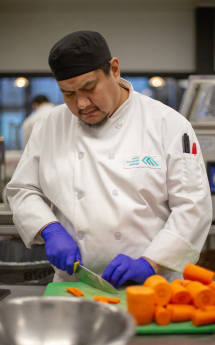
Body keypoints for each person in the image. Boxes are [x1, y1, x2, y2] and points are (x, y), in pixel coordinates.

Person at [7, 31, 212, 287]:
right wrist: (49, 228)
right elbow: (22, 189)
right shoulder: (50, 126)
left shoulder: (167, 124)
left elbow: (193, 206)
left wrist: (151, 262)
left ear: (114, 70)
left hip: (154, 286)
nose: (81, 103)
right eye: (68, 94)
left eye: (88, 88)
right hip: (74, 284)